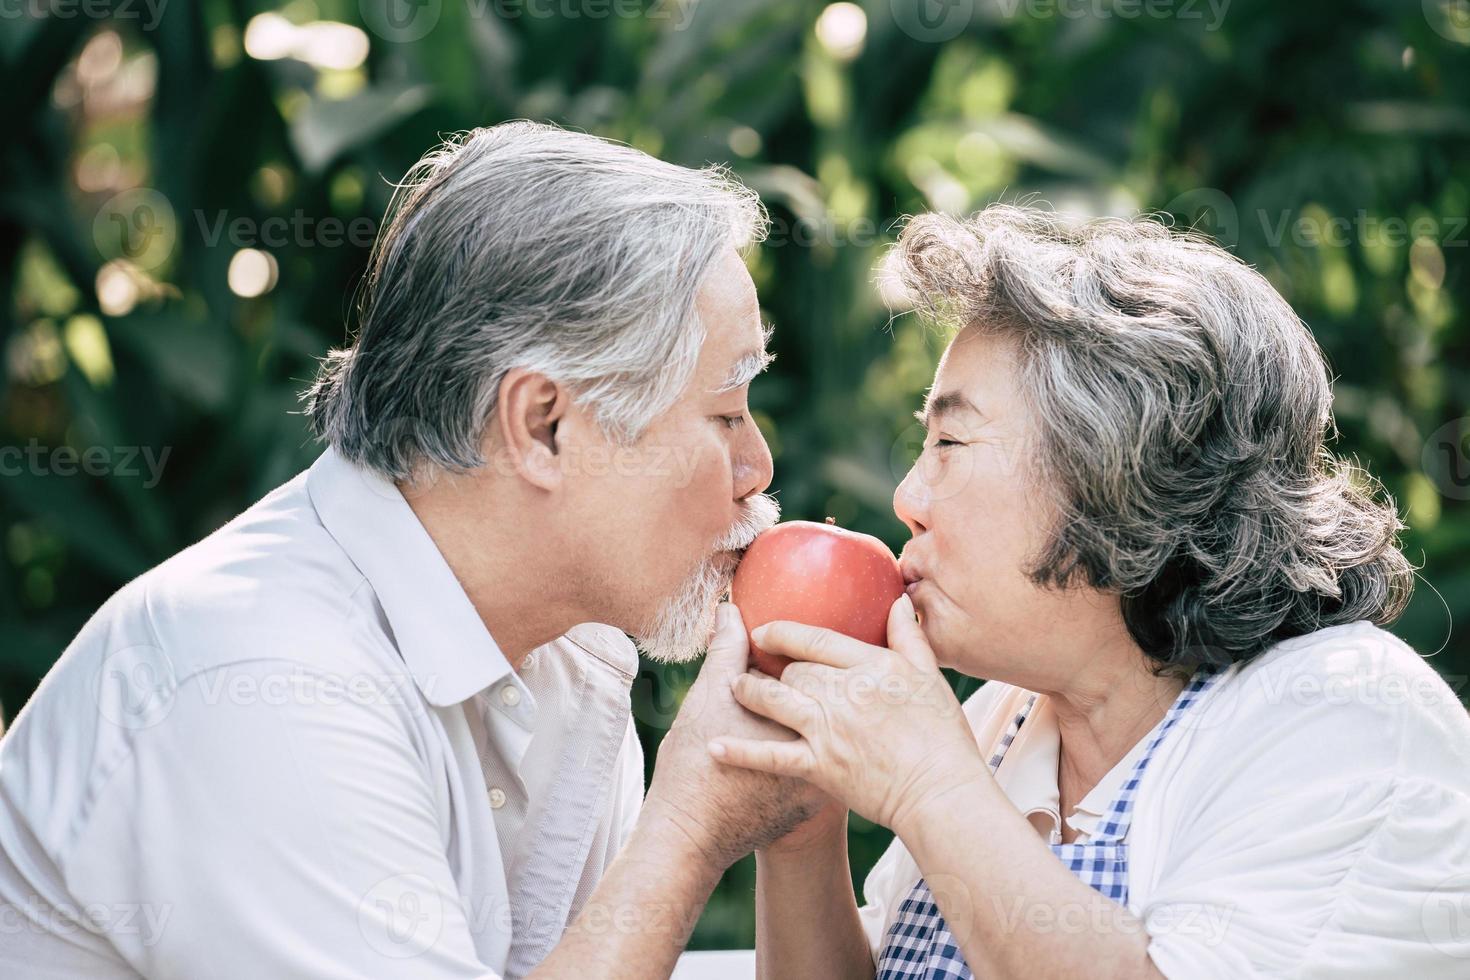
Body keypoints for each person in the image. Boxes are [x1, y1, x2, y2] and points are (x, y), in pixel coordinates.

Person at [0, 122, 822, 978]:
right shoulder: (261, 679)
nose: (757, 466)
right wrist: (688, 832)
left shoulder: (571, 657)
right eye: (726, 412)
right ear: (543, 426)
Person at [718, 205, 1470, 978]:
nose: (908, 495)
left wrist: (930, 788)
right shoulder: (1004, 719)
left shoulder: (1343, 717)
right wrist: (802, 834)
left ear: (1118, 474)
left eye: (950, 441)